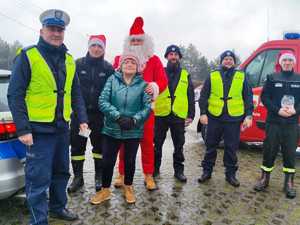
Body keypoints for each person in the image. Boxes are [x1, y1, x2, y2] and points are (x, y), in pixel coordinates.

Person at [7, 9, 88, 225]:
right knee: (38, 179)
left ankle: (57, 208)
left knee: (61, 172)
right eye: (52, 29)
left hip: (62, 129)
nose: (56, 33)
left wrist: (82, 118)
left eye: (60, 29)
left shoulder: (70, 59)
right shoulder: (28, 56)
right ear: (42, 30)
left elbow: (76, 92)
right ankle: (39, 220)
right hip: (37, 131)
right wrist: (23, 129)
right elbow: (14, 95)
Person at [113, 16, 168, 190]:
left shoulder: (154, 60)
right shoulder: (118, 60)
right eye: (133, 40)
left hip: (146, 112)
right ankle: (121, 174)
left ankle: (149, 175)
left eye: (139, 40)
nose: (136, 43)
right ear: (128, 42)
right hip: (125, 110)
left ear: (145, 42)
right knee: (123, 143)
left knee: (147, 143)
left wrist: (154, 86)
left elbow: (163, 81)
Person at [90, 53, 151, 204]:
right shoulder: (112, 80)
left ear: (137, 67)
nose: (129, 64)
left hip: (133, 130)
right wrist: (117, 116)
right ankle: (105, 191)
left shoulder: (144, 84)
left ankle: (128, 187)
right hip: (111, 128)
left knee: (130, 161)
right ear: (121, 66)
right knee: (107, 162)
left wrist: (134, 119)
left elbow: (147, 107)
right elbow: (103, 101)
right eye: (126, 62)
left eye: (133, 62)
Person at [198, 50, 253, 187]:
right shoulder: (212, 75)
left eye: (231, 59)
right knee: (210, 146)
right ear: (221, 61)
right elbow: (204, 96)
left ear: (234, 62)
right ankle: (207, 172)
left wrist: (249, 115)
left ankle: (230, 175)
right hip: (214, 117)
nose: (228, 61)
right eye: (226, 59)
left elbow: (248, 97)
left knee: (231, 148)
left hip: (233, 119)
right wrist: (203, 113)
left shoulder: (241, 76)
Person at [68, 34, 114, 193]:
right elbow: (71, 89)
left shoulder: (108, 68)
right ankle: (78, 178)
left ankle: (99, 177)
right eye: (93, 45)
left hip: (100, 117)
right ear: (88, 47)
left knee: (100, 148)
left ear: (104, 49)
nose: (96, 49)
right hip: (80, 116)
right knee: (77, 147)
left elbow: (112, 93)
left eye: (100, 46)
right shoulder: (77, 64)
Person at [253, 51, 300, 199]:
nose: (287, 62)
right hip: (274, 121)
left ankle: (289, 183)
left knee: (290, 153)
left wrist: (295, 111)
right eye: (284, 60)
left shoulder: (299, 79)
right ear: (280, 62)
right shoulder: (272, 77)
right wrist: (278, 110)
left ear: (294, 63)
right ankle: (264, 179)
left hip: (291, 123)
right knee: (269, 150)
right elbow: (265, 97)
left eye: (290, 60)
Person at [154, 45, 195, 182]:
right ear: (166, 57)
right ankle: (154, 169)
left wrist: (191, 115)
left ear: (179, 57)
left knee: (179, 145)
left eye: (176, 54)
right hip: (161, 114)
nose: (173, 57)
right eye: (170, 55)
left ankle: (179, 171)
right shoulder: (159, 72)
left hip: (178, 115)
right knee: (157, 144)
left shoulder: (185, 74)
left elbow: (190, 95)